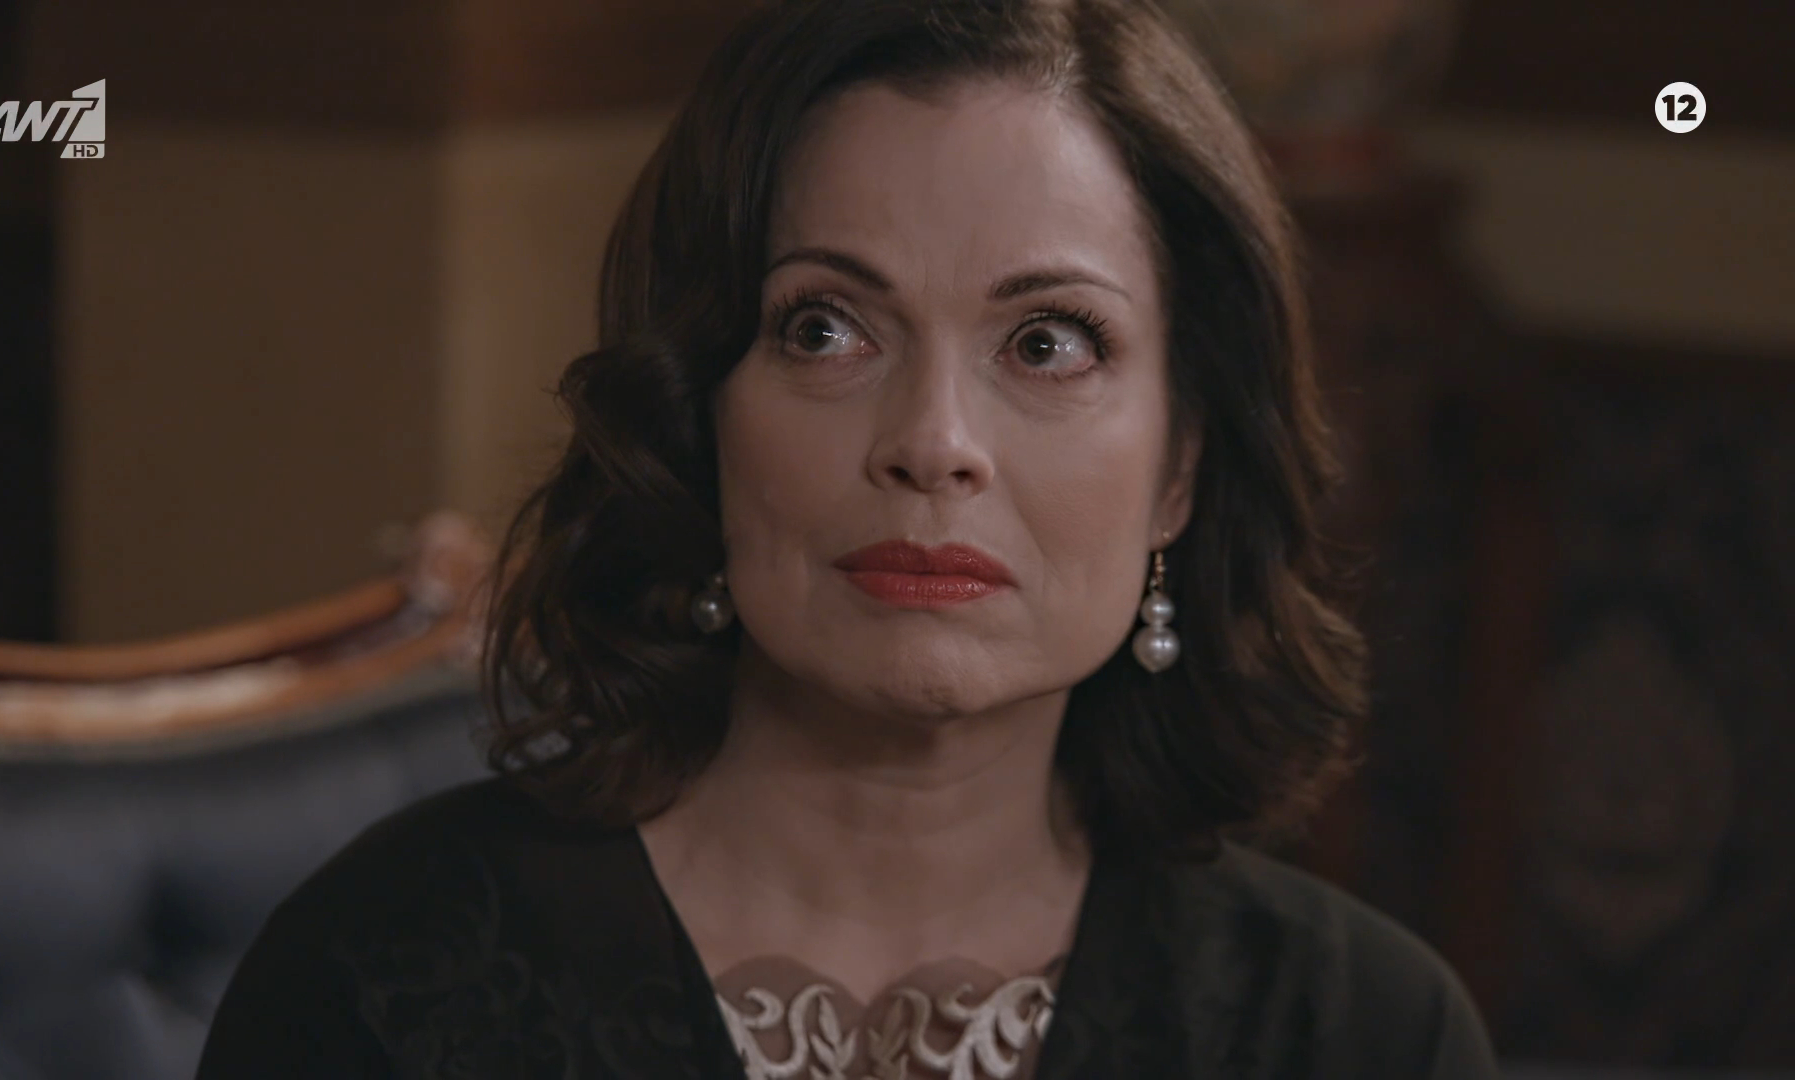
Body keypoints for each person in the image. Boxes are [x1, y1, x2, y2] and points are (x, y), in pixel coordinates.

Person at [197, 0, 1500, 1076]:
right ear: (697, 417)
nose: (933, 442)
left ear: (1181, 469)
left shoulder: (1360, 1033)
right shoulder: (385, 978)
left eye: (1048, 343)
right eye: (825, 329)